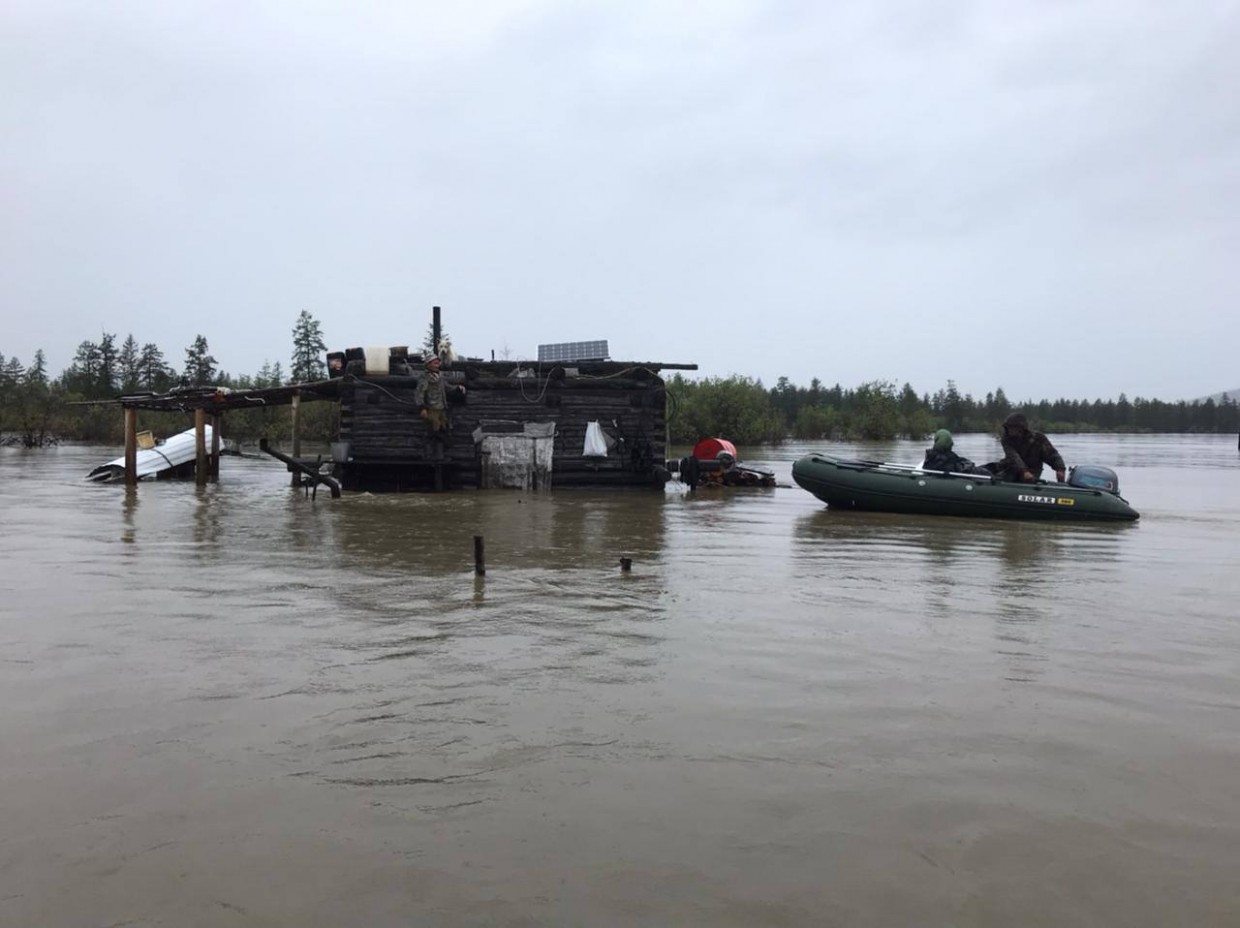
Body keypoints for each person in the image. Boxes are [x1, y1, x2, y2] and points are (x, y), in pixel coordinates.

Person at [988, 412, 1066, 482]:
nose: (1009, 430)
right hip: (1011, 468)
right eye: (1008, 427)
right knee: (1000, 476)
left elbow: (1051, 454)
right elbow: (1014, 457)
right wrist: (1024, 471)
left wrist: (1060, 469)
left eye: (1011, 427)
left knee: (1028, 480)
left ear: (1021, 428)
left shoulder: (1038, 438)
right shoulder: (1006, 439)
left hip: (1033, 470)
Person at [413, 355, 466, 435]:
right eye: (435, 363)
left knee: (443, 430)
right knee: (433, 431)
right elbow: (420, 393)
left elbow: (447, 387)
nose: (437, 365)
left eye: (438, 363)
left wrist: (458, 388)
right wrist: (422, 408)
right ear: (428, 364)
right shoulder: (425, 378)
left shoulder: (440, 377)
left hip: (442, 408)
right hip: (432, 408)